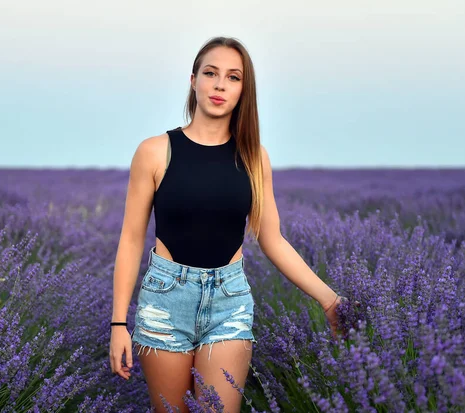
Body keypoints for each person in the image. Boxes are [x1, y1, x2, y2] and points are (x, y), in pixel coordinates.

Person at [109, 36, 345, 413]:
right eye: (211, 73)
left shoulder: (254, 158)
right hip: (166, 298)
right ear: (193, 81)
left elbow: (273, 240)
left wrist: (330, 300)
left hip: (229, 302)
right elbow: (131, 239)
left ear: (243, 90)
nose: (220, 85)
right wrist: (118, 324)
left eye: (233, 77)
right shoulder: (155, 151)